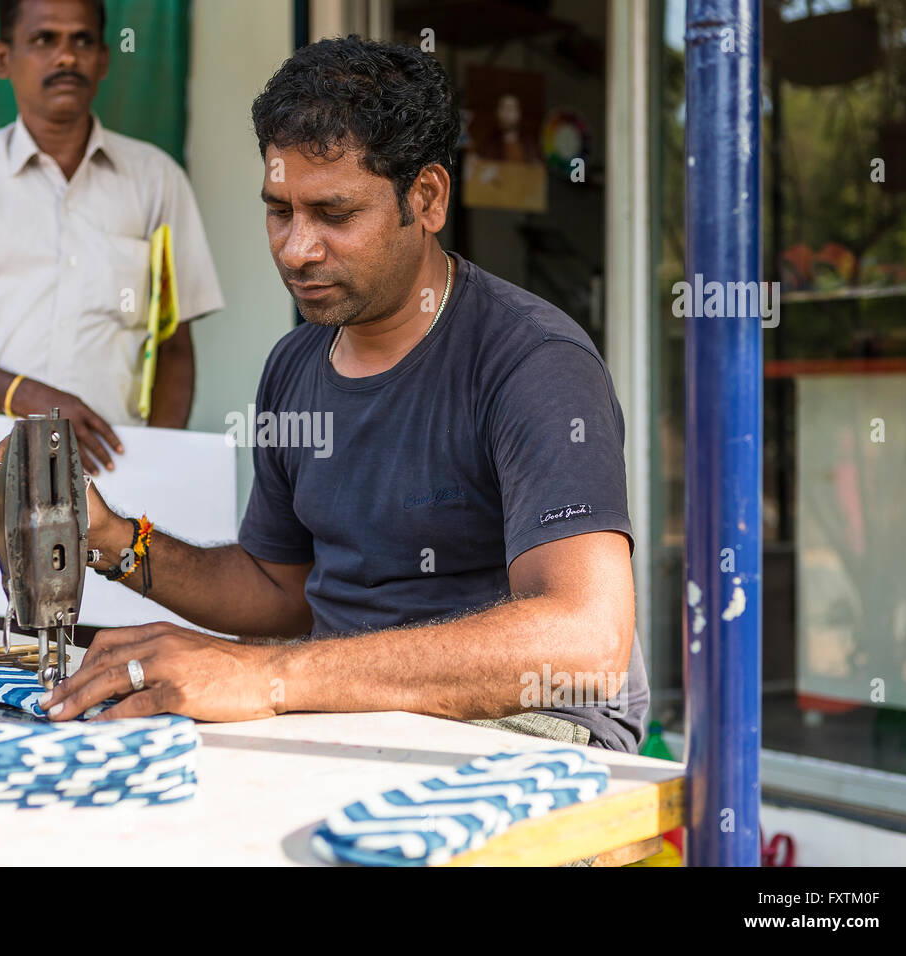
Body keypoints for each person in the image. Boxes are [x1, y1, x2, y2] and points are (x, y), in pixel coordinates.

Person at [42, 36, 649, 752]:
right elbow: (278, 588)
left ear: (425, 198)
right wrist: (111, 539)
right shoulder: (295, 366)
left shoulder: (532, 361)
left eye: (333, 214)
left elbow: (586, 639)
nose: (297, 249)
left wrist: (268, 677)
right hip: (345, 709)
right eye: (279, 211)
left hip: (527, 730)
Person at [0, 0, 223, 474]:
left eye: (82, 41)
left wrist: (151, 466)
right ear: (2, 59)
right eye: (43, 40)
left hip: (111, 484)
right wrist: (29, 399)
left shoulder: (157, 179)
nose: (66, 58)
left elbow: (174, 347)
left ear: (103, 59)